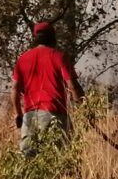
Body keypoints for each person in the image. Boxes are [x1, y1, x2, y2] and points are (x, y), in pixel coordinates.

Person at [11, 22, 84, 156]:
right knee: (59, 159)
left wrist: (19, 115)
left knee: (29, 159)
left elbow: (15, 89)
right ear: (53, 38)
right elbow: (72, 86)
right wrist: (82, 107)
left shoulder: (23, 59)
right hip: (54, 114)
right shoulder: (59, 56)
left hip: (29, 116)